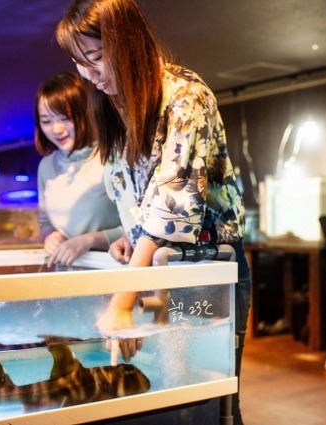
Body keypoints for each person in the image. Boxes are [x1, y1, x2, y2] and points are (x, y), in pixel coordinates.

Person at [55, 1, 250, 423]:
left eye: (94, 58)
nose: (88, 74)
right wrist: (131, 237)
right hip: (157, 267)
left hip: (206, 270)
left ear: (126, 43)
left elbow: (170, 205)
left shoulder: (185, 96)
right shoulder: (117, 104)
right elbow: (137, 199)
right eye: (79, 63)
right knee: (164, 395)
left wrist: (122, 300)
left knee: (207, 402)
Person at [35, 71, 122, 267]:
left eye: (65, 118)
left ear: (87, 112)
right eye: (46, 121)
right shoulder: (46, 166)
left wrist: (89, 240)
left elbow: (141, 228)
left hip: (110, 268)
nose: (56, 129)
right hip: (65, 271)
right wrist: (51, 235)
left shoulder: (113, 156)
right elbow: (45, 222)